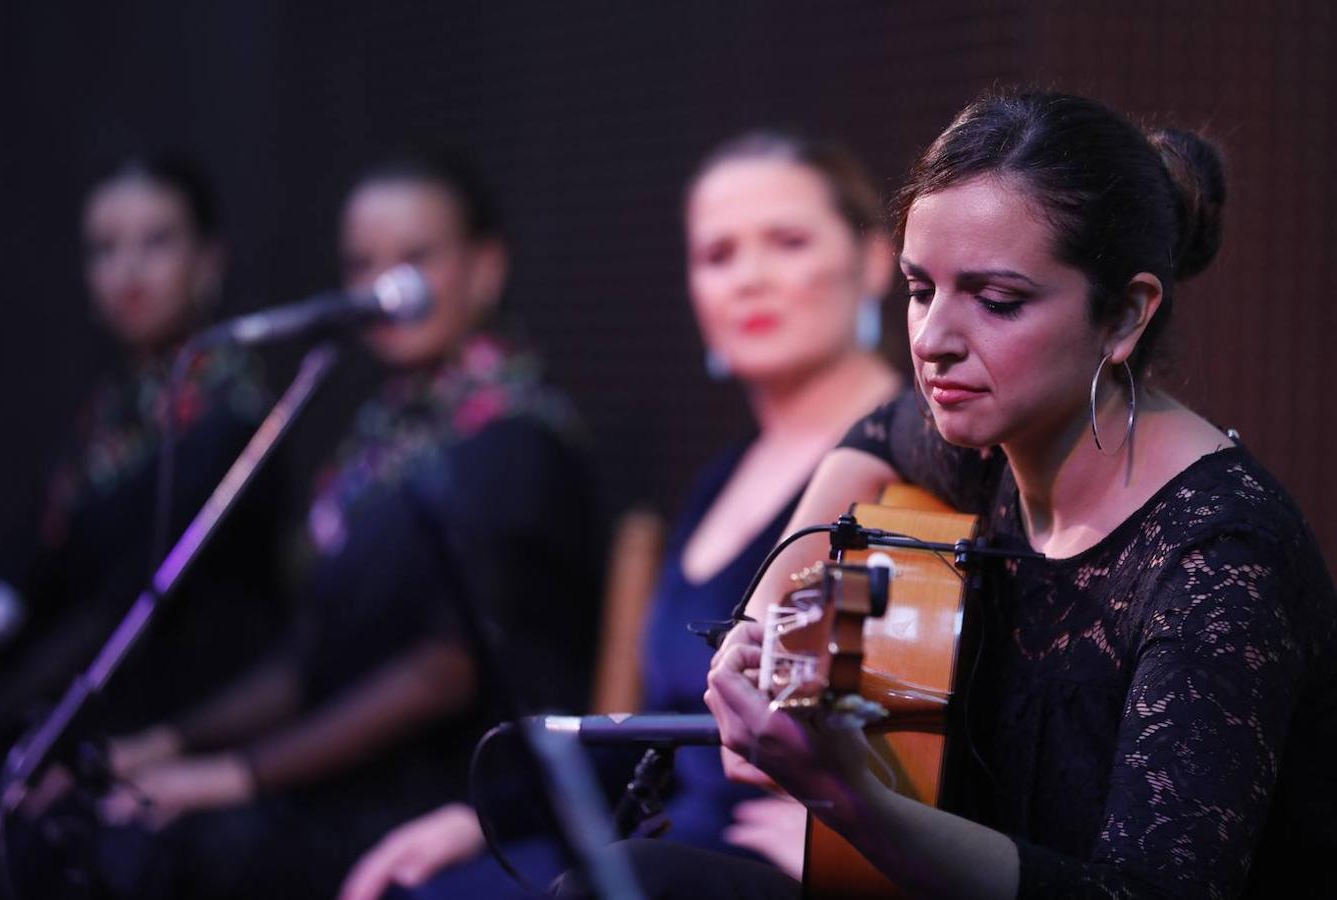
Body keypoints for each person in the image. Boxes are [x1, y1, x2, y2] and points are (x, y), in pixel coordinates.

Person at [568, 90, 1337, 899]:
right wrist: (762, 621)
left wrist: (850, 800)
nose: (932, 342)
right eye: (919, 289)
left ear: (1125, 316)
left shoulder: (1220, 561)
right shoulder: (990, 441)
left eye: (997, 301)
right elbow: (872, 435)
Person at [338, 131, 905, 900]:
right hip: (666, 832)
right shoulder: (721, 478)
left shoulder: (913, 471)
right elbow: (655, 730)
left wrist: (865, 838)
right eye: (718, 255)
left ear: (873, 260)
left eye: (789, 241)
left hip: (762, 868)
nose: (751, 279)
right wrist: (484, 818)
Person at [81, 150, 602, 899]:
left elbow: (442, 672)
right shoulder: (380, 439)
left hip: (458, 795)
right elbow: (310, 657)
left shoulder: (518, 440)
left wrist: (236, 776)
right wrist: (170, 745)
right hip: (355, 782)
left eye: (416, 257)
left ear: (485, 267)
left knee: (188, 853)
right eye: (362, 265)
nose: (385, 287)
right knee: (114, 826)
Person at [0, 154, 282, 759]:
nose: (128, 270)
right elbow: (34, 565)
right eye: (105, 248)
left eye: (156, 242)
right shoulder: (108, 412)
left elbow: (127, 599)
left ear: (209, 261)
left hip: (177, 725)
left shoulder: (233, 414)